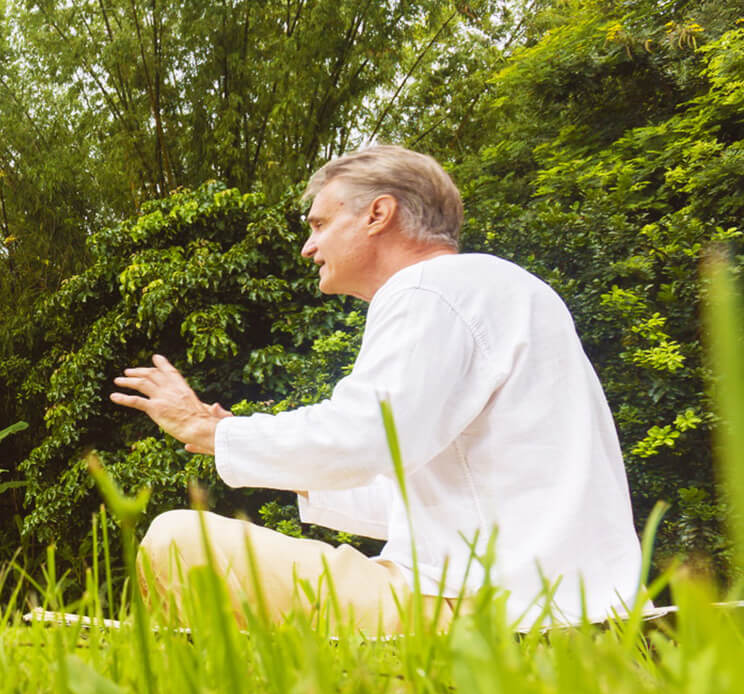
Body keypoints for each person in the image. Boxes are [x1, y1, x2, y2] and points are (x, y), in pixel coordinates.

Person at [110, 145, 641, 631]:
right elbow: (417, 488)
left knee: (180, 541)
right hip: (540, 598)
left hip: (483, 607)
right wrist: (282, 465)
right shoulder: (503, 289)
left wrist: (207, 430)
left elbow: (365, 436)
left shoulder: (431, 288)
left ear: (378, 214)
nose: (307, 247)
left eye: (319, 223)